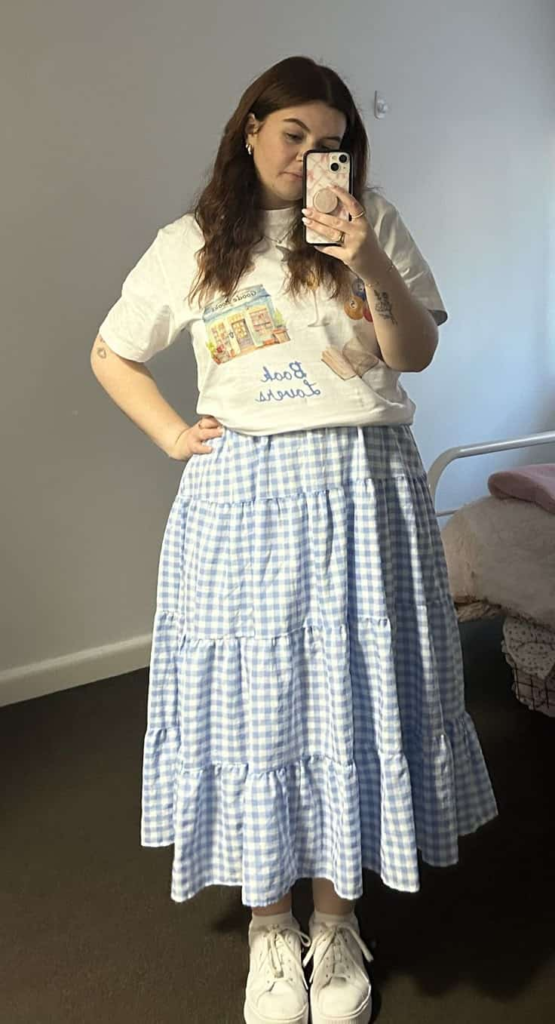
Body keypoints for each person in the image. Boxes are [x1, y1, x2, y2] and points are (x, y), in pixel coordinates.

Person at [91, 55, 499, 1024]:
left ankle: (337, 918)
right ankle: (271, 927)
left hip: (366, 483)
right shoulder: (191, 242)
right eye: (294, 136)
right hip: (246, 494)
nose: (312, 156)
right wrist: (169, 433)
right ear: (250, 130)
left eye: (332, 144)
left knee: (354, 697)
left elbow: (414, 354)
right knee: (256, 703)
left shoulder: (373, 222)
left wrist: (364, 257)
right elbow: (113, 350)